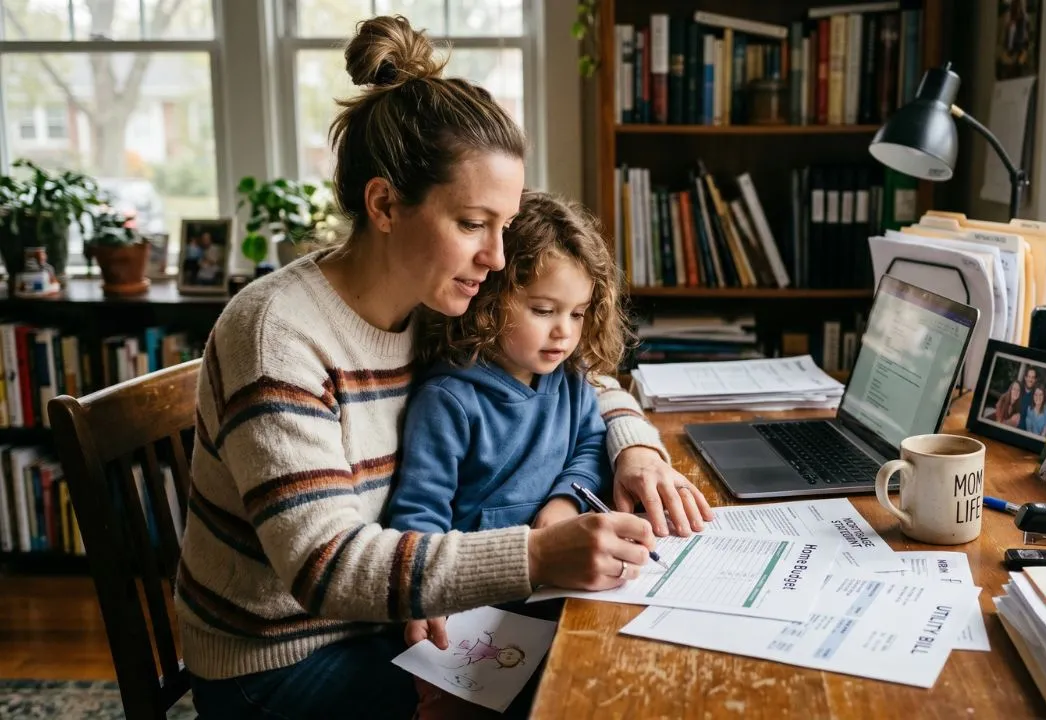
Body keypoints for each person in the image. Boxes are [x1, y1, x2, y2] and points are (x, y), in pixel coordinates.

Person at [177, 16, 713, 719]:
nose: (495, 257)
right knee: (580, 690)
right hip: (280, 663)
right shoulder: (277, 335)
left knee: (614, 655)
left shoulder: (440, 306)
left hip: (399, 623)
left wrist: (635, 450)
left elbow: (581, 378)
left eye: (504, 224)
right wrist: (538, 555)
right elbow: (326, 566)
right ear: (385, 204)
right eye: (472, 224)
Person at [388, 190, 621, 537]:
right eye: (543, 310)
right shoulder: (447, 401)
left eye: (577, 314)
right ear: (488, 302)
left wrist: (566, 502)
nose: (564, 332)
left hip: (560, 576)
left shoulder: (571, 377)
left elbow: (593, 447)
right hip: (486, 583)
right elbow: (418, 521)